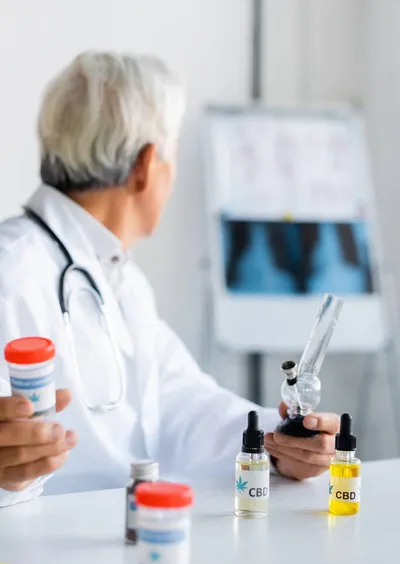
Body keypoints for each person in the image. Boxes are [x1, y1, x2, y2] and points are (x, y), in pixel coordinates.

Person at [0, 52, 340, 507]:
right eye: (171, 153)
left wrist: (278, 447)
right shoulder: (12, 271)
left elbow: (180, 402)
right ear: (145, 165)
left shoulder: (121, 278)